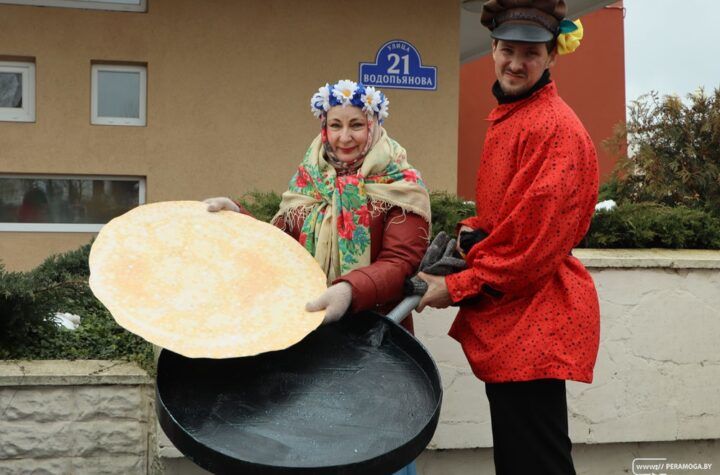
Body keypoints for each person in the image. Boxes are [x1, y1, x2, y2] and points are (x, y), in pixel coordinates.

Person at [205, 80, 431, 475]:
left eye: (356, 125)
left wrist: (348, 291)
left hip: (374, 343)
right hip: (311, 340)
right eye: (335, 125)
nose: (344, 137)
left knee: (372, 447)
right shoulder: (309, 180)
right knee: (316, 444)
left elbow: (400, 263)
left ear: (374, 125)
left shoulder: (400, 184)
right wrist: (238, 219)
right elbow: (281, 250)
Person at [416, 1, 599, 474]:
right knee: (522, 459)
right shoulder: (514, 115)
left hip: (534, 320)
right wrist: (471, 234)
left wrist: (454, 286)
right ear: (493, 48)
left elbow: (530, 248)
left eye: (531, 53)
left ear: (551, 55)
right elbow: (507, 219)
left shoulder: (554, 129)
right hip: (517, 319)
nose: (516, 63)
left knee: (535, 462)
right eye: (507, 50)